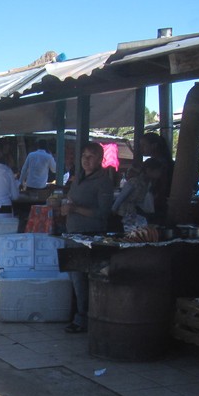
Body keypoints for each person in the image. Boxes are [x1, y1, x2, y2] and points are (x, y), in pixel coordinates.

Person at [62, 141, 114, 334]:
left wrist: (75, 209)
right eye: (84, 156)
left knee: (88, 279)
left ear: (100, 159)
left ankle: (87, 318)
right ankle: (78, 316)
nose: (86, 160)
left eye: (91, 156)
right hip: (72, 234)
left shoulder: (103, 182)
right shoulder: (78, 179)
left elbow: (103, 212)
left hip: (91, 237)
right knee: (75, 278)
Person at [112, 158, 163, 230]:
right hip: (122, 213)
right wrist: (113, 209)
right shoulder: (134, 181)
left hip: (133, 213)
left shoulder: (148, 184)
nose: (159, 173)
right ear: (148, 170)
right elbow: (121, 197)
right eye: (157, 171)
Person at [139, 132, 174, 215]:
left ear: (154, 145)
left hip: (157, 206)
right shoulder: (158, 162)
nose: (141, 148)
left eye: (144, 145)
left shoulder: (161, 164)